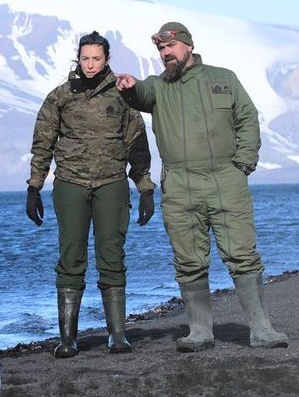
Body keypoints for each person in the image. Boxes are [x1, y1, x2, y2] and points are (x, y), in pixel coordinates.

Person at [115, 21, 289, 350]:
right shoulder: (158, 88)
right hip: (180, 185)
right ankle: (200, 331)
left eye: (171, 47)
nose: (166, 54)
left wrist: (243, 163)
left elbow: (247, 118)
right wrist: (128, 87)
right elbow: (139, 94)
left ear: (188, 46)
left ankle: (261, 329)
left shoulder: (223, 79)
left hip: (226, 179)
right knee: (188, 259)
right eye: (161, 50)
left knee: (243, 255)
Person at [26, 30, 157, 357]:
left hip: (111, 184)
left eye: (96, 58)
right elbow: (43, 142)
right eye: (85, 58)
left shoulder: (123, 96)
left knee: (112, 256)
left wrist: (145, 189)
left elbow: (137, 145)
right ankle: (68, 340)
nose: (90, 64)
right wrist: (34, 187)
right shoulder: (61, 96)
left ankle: (117, 336)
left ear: (106, 59)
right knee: (71, 257)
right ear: (78, 58)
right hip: (70, 183)